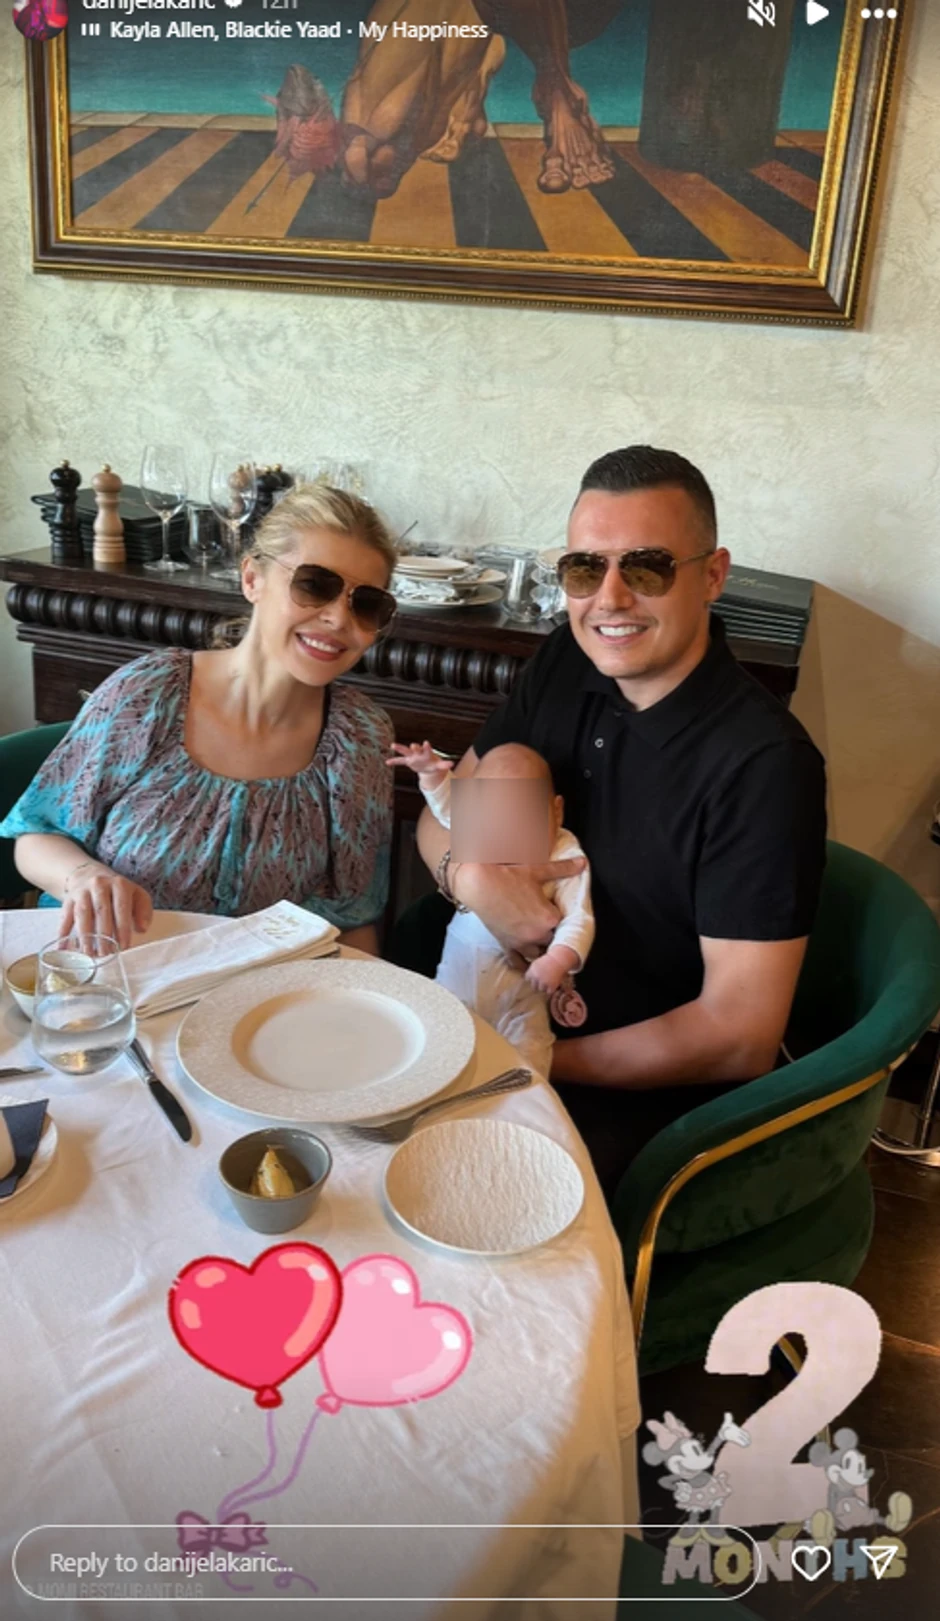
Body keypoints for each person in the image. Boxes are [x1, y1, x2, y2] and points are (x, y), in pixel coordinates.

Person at [415, 446, 827, 1198]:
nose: (609, 598)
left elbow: (738, 1035)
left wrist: (519, 1059)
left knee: (448, 1195)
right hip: (485, 1013)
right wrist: (468, 877)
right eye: (584, 568)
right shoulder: (565, 664)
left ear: (713, 575)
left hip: (625, 1090)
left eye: (647, 568)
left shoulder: (764, 765)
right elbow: (440, 822)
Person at [0, 485, 398, 954]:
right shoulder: (149, 694)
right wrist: (83, 875)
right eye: (314, 585)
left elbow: (353, 919)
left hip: (261, 993)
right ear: (252, 579)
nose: (339, 619)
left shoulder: (361, 738)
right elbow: (37, 835)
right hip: (107, 974)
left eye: (366, 604)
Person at [389, 738, 594, 1075]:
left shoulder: (566, 854)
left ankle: (519, 1104)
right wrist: (431, 775)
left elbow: (580, 918)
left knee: (530, 1057)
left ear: (556, 812)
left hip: (523, 993)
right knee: (439, 1044)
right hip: (458, 977)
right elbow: (446, 808)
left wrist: (559, 959)